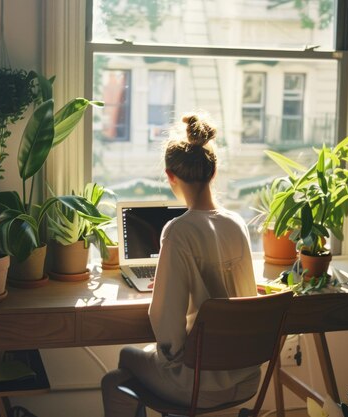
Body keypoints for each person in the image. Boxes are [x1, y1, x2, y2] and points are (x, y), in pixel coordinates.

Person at [101, 114, 259, 417]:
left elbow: (169, 333)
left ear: (170, 176)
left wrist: (171, 357)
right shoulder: (237, 224)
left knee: (123, 363)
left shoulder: (178, 231)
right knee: (133, 372)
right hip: (246, 378)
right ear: (213, 173)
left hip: (198, 383)